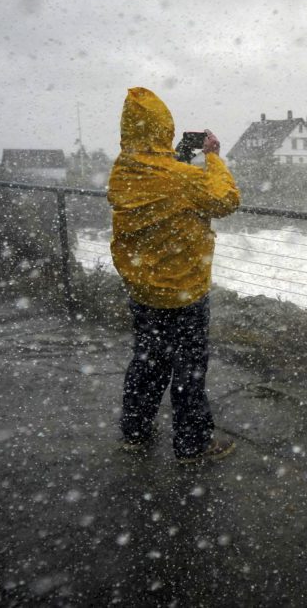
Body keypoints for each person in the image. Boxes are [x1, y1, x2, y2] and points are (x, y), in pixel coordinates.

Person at [108, 87, 241, 464]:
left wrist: (179, 157)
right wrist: (213, 157)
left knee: (147, 361)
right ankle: (192, 446)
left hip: (143, 289)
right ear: (164, 129)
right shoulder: (182, 180)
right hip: (184, 291)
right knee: (188, 369)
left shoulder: (123, 172)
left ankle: (135, 432)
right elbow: (225, 200)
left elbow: (162, 183)